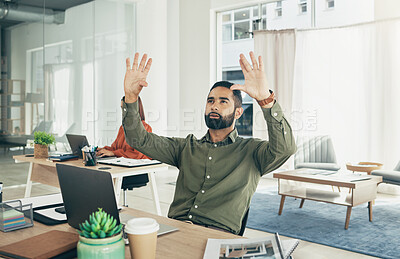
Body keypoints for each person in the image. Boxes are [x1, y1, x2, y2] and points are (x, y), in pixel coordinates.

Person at [121, 52, 296, 235]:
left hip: (217, 235)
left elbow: (285, 148)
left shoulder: (252, 151)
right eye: (210, 101)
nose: (214, 106)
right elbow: (138, 139)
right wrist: (131, 98)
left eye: (223, 101)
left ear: (238, 113)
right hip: (175, 229)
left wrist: (265, 101)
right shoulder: (186, 147)